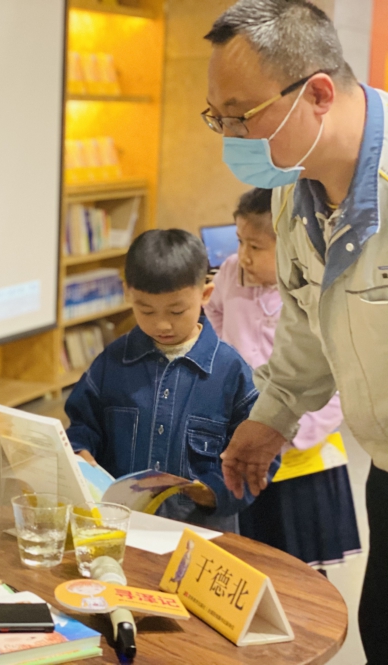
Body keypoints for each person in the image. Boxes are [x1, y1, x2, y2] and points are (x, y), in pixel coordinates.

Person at [202, 1, 388, 658]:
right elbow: (309, 325)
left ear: (317, 94)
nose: (229, 137)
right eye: (217, 118)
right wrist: (272, 416)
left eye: (241, 116)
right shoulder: (293, 189)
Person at [65, 230, 276, 532]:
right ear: (128, 293)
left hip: (201, 537)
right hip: (121, 531)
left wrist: (214, 491)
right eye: (146, 310)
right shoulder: (112, 363)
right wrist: (82, 458)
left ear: (205, 295)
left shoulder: (231, 371)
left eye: (177, 311)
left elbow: (258, 456)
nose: (161, 324)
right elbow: (82, 428)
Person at [206, 188, 361, 569]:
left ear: (290, 246)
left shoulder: (314, 288)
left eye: (256, 247)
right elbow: (214, 323)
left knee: (300, 563)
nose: (243, 255)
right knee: (251, 554)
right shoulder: (230, 273)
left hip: (302, 456)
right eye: (240, 241)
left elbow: (336, 381)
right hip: (243, 439)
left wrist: (289, 432)